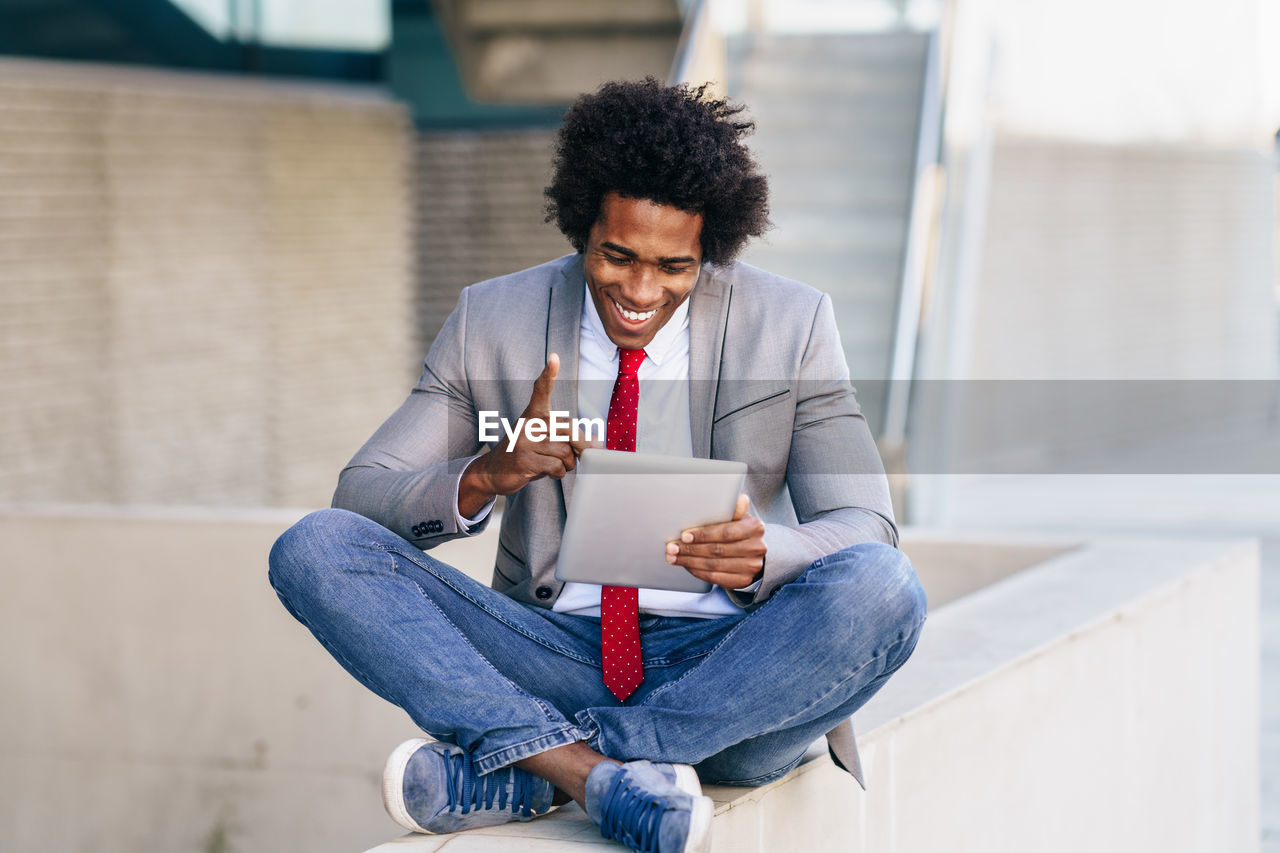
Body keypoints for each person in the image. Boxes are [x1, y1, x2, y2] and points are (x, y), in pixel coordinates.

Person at [268, 78, 927, 853]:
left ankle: (549, 765)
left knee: (886, 588)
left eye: (674, 267)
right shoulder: (494, 320)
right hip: (555, 651)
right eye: (617, 256)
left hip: (735, 676)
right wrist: (487, 473)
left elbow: (866, 526)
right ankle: (603, 770)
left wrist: (762, 555)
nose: (641, 291)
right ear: (582, 225)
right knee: (312, 548)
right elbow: (361, 496)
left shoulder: (792, 324)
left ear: (709, 248)